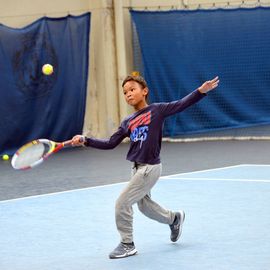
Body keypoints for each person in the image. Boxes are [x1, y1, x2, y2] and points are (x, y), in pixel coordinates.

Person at [71, 75, 219, 259]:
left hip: (149, 168)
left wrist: (200, 91)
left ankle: (127, 244)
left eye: (132, 89)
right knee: (144, 206)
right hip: (135, 169)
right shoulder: (128, 122)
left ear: (144, 91)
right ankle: (174, 219)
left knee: (122, 203)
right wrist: (86, 140)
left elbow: (181, 104)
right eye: (125, 92)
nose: (128, 94)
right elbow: (110, 143)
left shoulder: (157, 110)